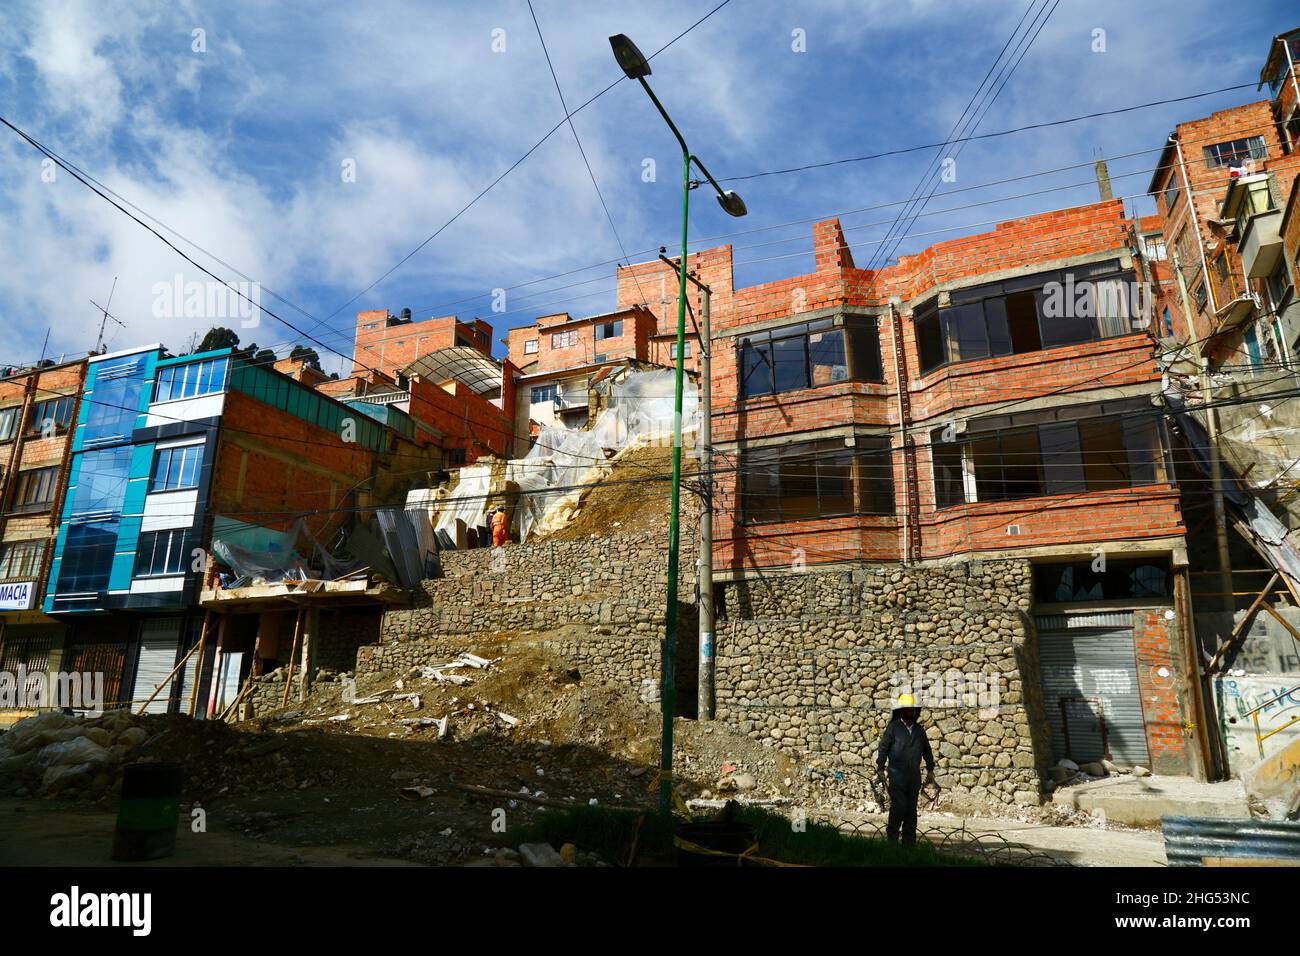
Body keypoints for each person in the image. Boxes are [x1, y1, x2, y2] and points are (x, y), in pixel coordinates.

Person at [876, 693, 937, 845]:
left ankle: (909, 845)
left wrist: (930, 770)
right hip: (896, 775)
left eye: (913, 710)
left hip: (914, 777)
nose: (911, 712)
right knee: (899, 807)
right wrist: (880, 768)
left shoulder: (919, 731)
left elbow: (927, 751)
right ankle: (892, 842)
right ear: (902, 711)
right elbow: (883, 748)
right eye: (908, 710)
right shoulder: (893, 728)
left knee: (911, 811)